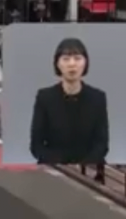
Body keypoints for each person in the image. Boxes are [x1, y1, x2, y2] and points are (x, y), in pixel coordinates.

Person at [29, 37, 109, 165]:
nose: (72, 64)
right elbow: (36, 146)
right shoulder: (45, 97)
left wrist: (83, 167)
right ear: (57, 64)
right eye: (66, 59)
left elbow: (102, 144)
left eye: (77, 58)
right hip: (54, 167)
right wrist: (62, 166)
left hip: (89, 168)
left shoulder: (98, 98)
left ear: (86, 63)